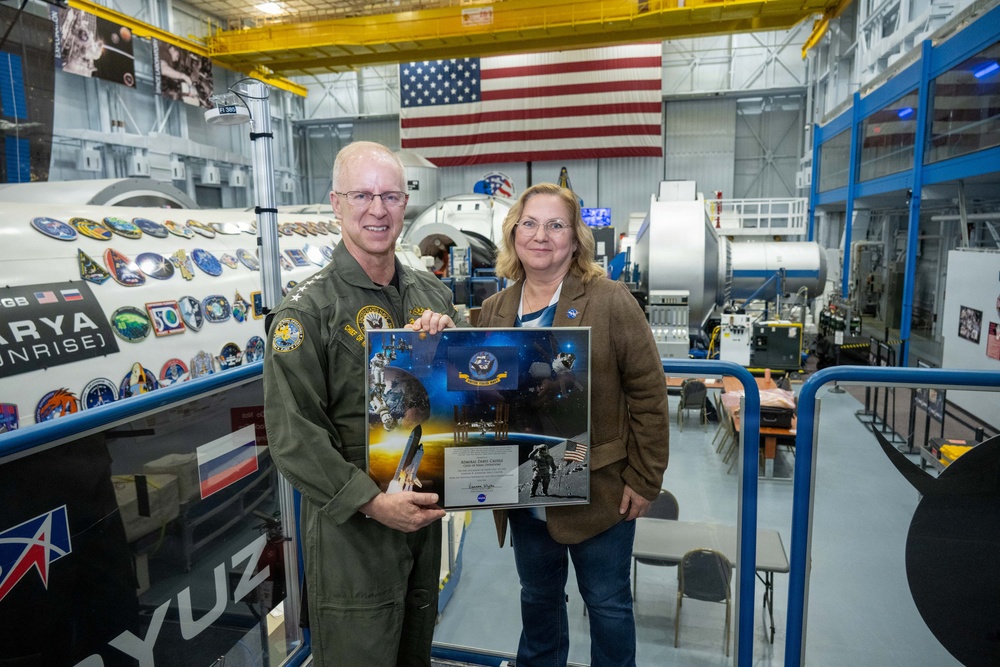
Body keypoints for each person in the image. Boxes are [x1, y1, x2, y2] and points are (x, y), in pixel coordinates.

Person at [263, 141, 462, 667]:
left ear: (405, 204)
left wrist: (450, 344)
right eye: (363, 195)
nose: (378, 209)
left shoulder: (432, 297)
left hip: (422, 514)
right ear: (335, 203)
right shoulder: (307, 313)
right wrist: (374, 503)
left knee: (414, 645)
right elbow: (293, 436)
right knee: (361, 653)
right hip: (353, 529)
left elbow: (461, 396)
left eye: (391, 196)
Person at [478, 182, 670, 667]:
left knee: (607, 607)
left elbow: (648, 392)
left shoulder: (609, 300)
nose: (541, 236)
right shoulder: (495, 309)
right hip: (523, 490)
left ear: (575, 238)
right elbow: (471, 386)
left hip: (600, 491)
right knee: (538, 602)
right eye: (530, 224)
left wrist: (645, 479)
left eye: (555, 225)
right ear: (513, 234)